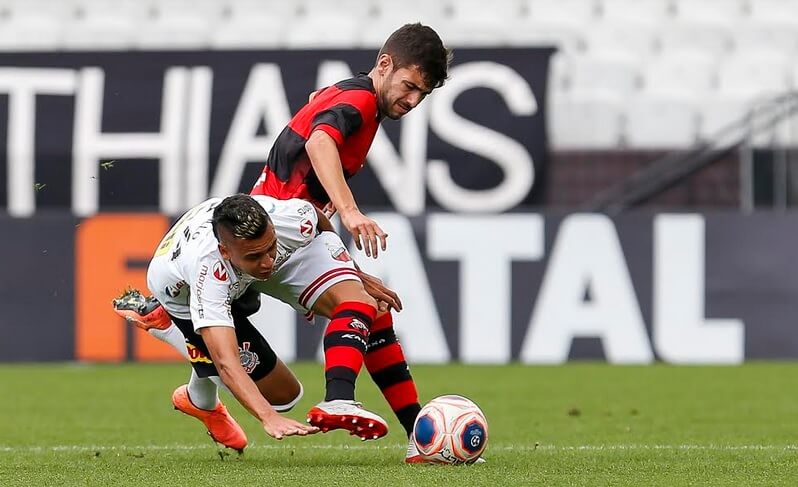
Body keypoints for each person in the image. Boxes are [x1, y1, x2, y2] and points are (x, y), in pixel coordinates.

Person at [249, 23, 451, 463]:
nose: (413, 100)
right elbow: (321, 141)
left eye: (423, 94)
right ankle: (338, 398)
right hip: (280, 225)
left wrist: (351, 272)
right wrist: (351, 210)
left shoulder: (348, 94)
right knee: (358, 304)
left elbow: (312, 114)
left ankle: (420, 434)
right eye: (410, 85)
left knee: (372, 309)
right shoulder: (360, 99)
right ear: (384, 65)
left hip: (286, 227)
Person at [114, 193, 400, 451]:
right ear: (225, 251)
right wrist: (269, 417)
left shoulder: (290, 217)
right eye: (255, 256)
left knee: (290, 393)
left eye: (271, 248)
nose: (268, 263)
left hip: (231, 270)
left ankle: (197, 399)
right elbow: (226, 362)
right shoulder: (209, 273)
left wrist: (355, 274)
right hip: (180, 292)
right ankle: (167, 324)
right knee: (280, 399)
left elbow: (319, 221)